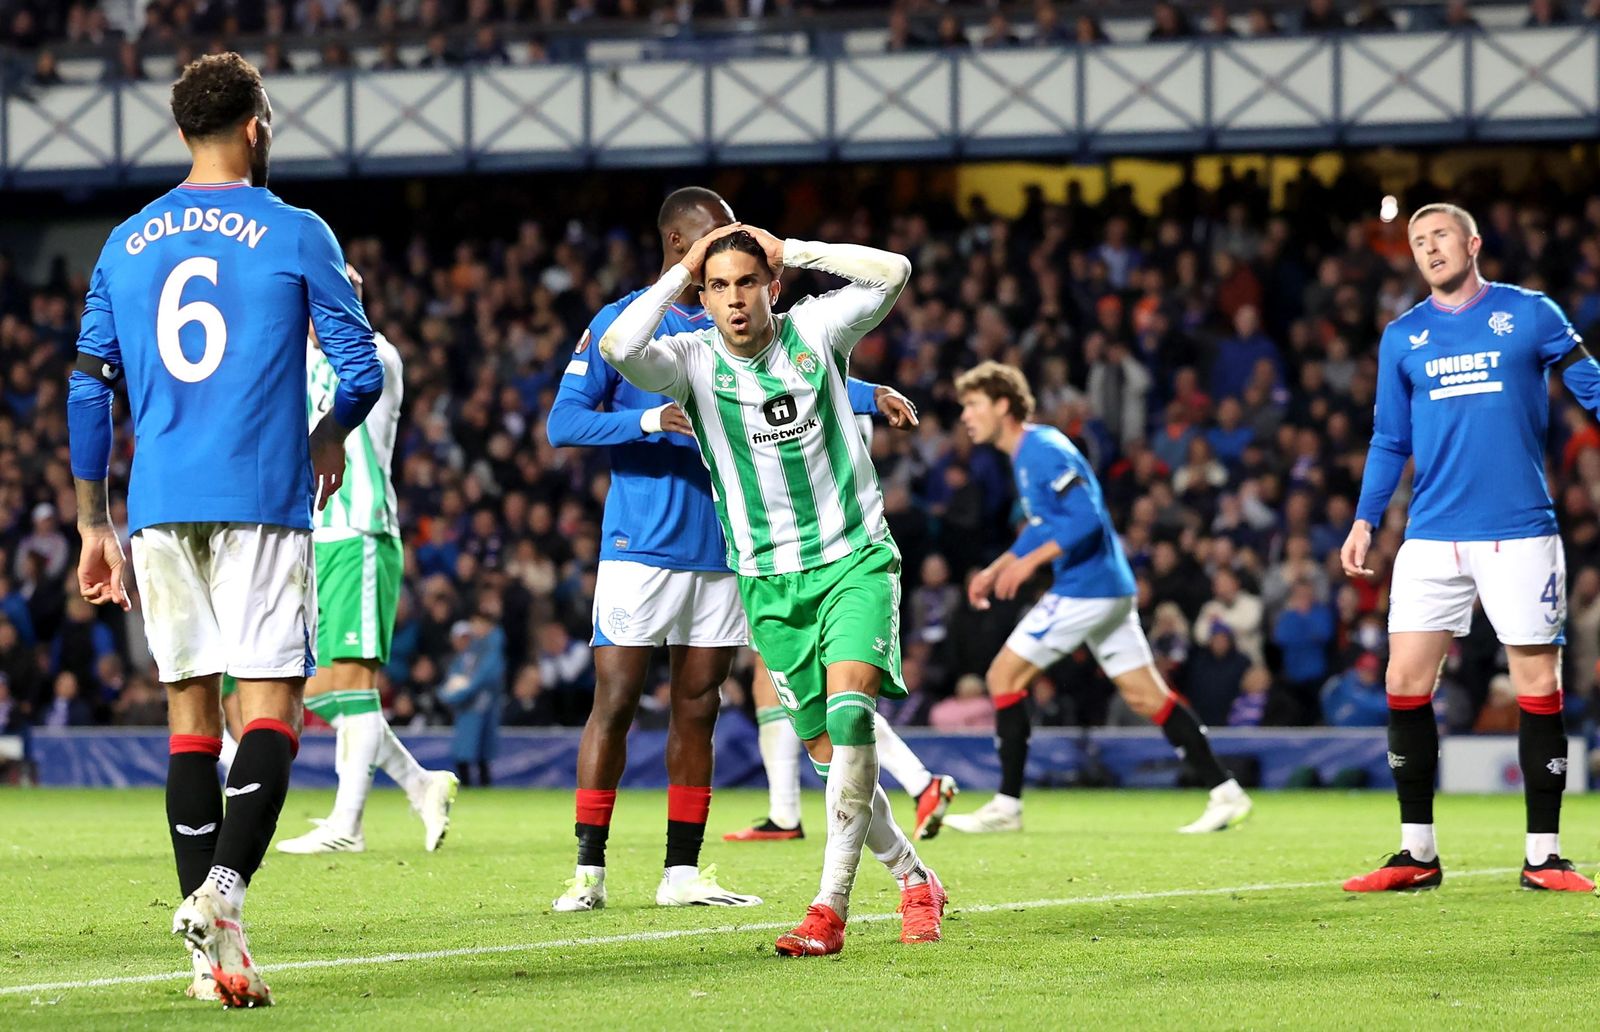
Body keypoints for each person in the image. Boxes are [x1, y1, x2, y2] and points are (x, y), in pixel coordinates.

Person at [67, 53, 382, 1007]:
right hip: (260, 494)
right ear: (257, 127)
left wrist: (93, 522)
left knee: (190, 720)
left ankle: (213, 965)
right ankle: (226, 891)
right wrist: (328, 434)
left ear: (180, 134)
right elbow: (360, 366)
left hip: (159, 505)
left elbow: (89, 389)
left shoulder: (123, 243)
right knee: (275, 710)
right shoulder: (294, 230)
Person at [546, 186, 948, 912]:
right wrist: (646, 425)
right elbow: (565, 420)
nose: (736, 256)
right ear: (684, 252)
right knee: (617, 700)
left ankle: (689, 872)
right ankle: (589, 869)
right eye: (716, 248)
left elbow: (800, 376)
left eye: (744, 254)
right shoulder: (657, 340)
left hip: (739, 550)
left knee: (703, 705)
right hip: (649, 544)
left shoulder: (794, 325)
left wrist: (868, 389)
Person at [1341, 201, 1600, 893]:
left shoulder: (1530, 312)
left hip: (1518, 532)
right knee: (1403, 682)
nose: (1429, 248)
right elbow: (1390, 439)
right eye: (1417, 240)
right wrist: (1367, 519)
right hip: (1430, 535)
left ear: (1472, 242)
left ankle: (1544, 856)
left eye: (1440, 236)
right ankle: (1415, 853)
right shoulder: (1404, 336)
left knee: (1536, 685)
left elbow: (1592, 386)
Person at [942, 362, 1252, 835]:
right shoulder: (1027, 454)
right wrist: (999, 566)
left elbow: (1088, 516)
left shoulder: (1042, 449)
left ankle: (1006, 805)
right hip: (1107, 589)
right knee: (1147, 695)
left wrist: (1026, 566)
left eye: (973, 404)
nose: (965, 415)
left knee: (1002, 675)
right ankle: (1226, 791)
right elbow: (1047, 526)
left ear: (1003, 405)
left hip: (1086, 588)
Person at [273, 263, 460, 857]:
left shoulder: (376, 357)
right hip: (309, 535)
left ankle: (347, 825)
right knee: (313, 685)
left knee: (353, 682)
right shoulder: (295, 358)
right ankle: (419, 781)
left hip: (358, 532)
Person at [438, 612, 506, 788]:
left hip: (480, 705)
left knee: (478, 749)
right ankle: (470, 784)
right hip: (470, 706)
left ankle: (480, 785)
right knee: (468, 748)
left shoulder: (490, 649)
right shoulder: (473, 651)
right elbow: (459, 674)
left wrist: (453, 695)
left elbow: (482, 678)